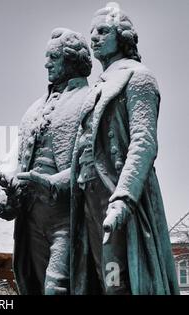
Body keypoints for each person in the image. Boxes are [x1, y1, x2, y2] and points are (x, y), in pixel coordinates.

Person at [69, 4, 179, 294]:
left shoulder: (138, 77)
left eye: (103, 31)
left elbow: (143, 142)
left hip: (117, 195)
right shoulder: (96, 88)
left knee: (118, 279)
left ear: (123, 36)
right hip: (88, 196)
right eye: (91, 31)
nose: (94, 37)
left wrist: (124, 198)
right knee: (98, 277)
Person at [0, 28, 91, 294]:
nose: (46, 63)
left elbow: (94, 164)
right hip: (31, 218)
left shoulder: (89, 101)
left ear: (70, 60)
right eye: (46, 56)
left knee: (57, 287)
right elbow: (14, 164)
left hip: (67, 217)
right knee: (33, 286)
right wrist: (4, 195)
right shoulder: (33, 110)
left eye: (53, 57)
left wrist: (51, 183)